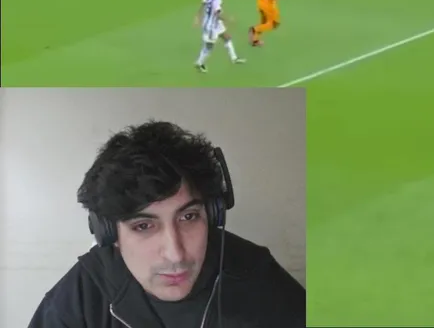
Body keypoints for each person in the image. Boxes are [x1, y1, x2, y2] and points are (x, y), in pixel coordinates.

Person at [28, 120, 305, 327]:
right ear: (109, 233)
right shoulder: (81, 298)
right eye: (143, 226)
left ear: (213, 214)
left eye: (188, 217)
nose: (175, 254)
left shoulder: (259, 279)